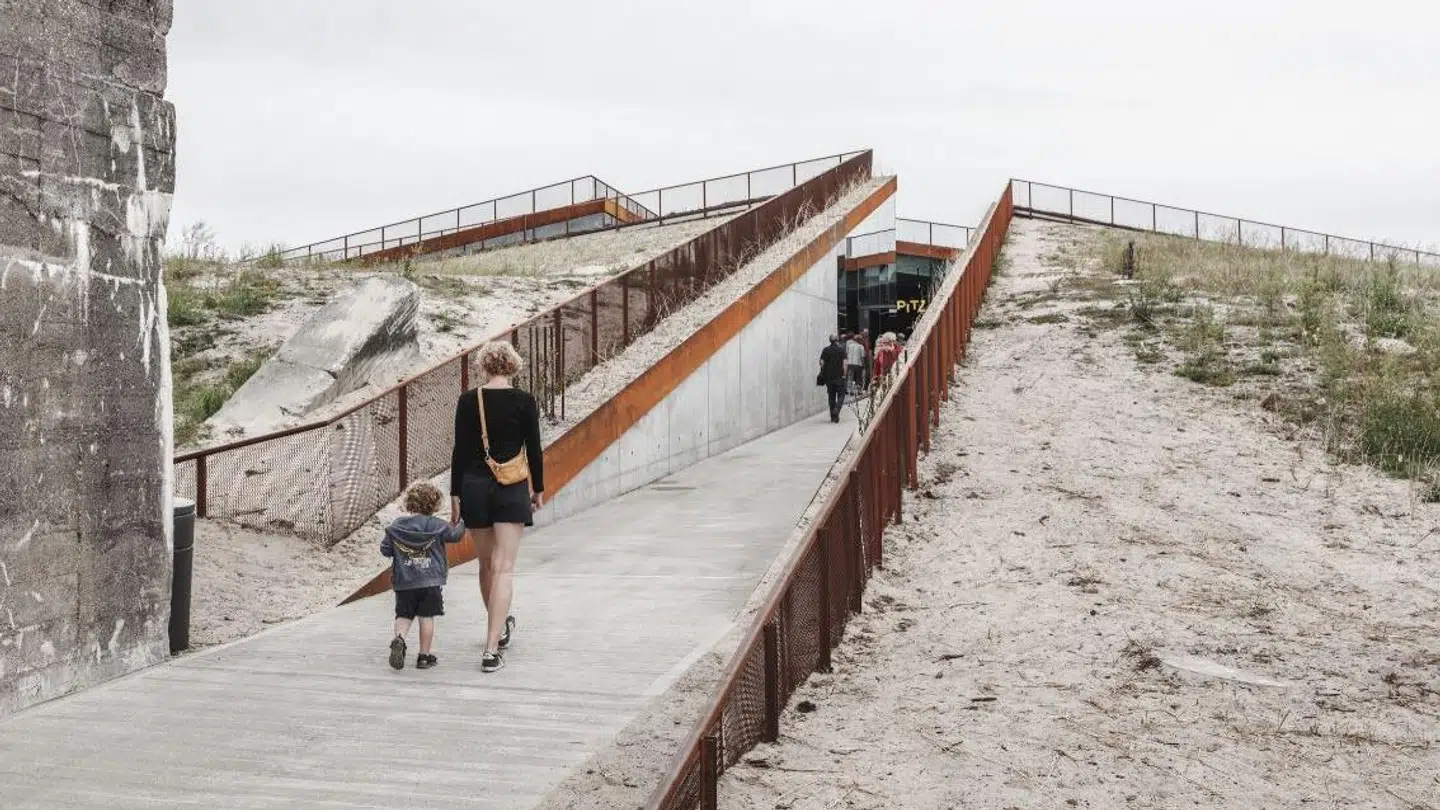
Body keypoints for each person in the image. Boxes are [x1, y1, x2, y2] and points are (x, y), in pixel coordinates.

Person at [450, 340, 545, 673]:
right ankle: (491, 649)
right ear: (513, 366)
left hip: (474, 487)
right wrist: (539, 489)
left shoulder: (468, 401)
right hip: (511, 487)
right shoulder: (524, 401)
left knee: (486, 565)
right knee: (505, 567)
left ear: (484, 365)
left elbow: (459, 451)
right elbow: (534, 448)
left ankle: (499, 626)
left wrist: (454, 495)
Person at [382, 481, 466, 671]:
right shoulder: (437, 525)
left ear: (409, 502)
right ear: (434, 505)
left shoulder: (397, 525)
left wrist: (400, 551)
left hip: (405, 582)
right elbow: (455, 536)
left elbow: (385, 549)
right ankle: (424, 656)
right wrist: (463, 521)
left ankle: (400, 639)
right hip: (430, 582)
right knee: (426, 618)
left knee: (403, 614)